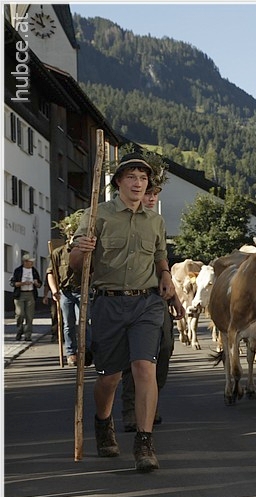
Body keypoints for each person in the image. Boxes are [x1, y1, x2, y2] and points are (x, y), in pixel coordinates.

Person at [69, 152, 182, 472]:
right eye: (131, 177)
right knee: (110, 377)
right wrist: (82, 250)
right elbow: (75, 265)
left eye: (143, 178)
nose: (138, 183)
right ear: (118, 181)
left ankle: (144, 442)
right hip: (109, 303)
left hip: (146, 303)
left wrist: (165, 275)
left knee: (145, 367)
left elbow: (159, 255)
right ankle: (103, 421)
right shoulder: (97, 215)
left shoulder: (155, 221)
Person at [121, 183, 180, 432]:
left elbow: (161, 261)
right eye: (148, 194)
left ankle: (150, 402)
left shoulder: (157, 223)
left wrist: (174, 297)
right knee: (134, 355)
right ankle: (130, 409)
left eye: (155, 194)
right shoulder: (123, 222)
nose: (152, 198)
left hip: (157, 298)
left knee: (164, 348)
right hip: (129, 297)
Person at [45, 212, 87, 367]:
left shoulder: (86, 253)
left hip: (83, 291)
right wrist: (54, 291)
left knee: (84, 323)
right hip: (66, 293)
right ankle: (71, 353)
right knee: (68, 324)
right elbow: (51, 273)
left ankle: (85, 352)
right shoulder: (58, 253)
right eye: (70, 234)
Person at [9, 254, 43, 342]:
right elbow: (12, 283)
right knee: (20, 314)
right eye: (30, 262)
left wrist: (36, 283)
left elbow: (39, 284)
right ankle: (19, 330)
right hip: (20, 295)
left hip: (31, 294)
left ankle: (28, 335)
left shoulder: (34, 271)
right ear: (25, 262)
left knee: (29, 316)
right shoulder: (18, 270)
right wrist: (22, 283)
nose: (32, 263)